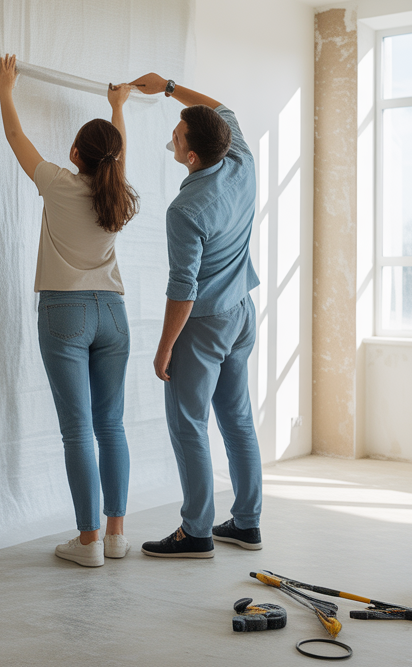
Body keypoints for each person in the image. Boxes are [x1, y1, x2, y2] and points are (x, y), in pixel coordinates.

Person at [0, 54, 140, 568]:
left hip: (66, 314)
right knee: (112, 427)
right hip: (114, 315)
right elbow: (115, 156)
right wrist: (117, 106)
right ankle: (118, 536)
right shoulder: (117, 193)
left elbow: (16, 140)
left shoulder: (57, 183)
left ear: (76, 152)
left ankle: (88, 543)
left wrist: (7, 91)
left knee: (78, 430)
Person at [128, 72, 263, 559]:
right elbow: (221, 107)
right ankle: (246, 524)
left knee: (189, 424)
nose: (174, 133)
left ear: (189, 156)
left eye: (179, 133)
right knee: (238, 420)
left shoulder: (185, 209)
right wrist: (168, 88)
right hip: (243, 313)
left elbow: (182, 290)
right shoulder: (242, 159)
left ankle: (197, 531)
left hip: (204, 323)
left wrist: (164, 347)